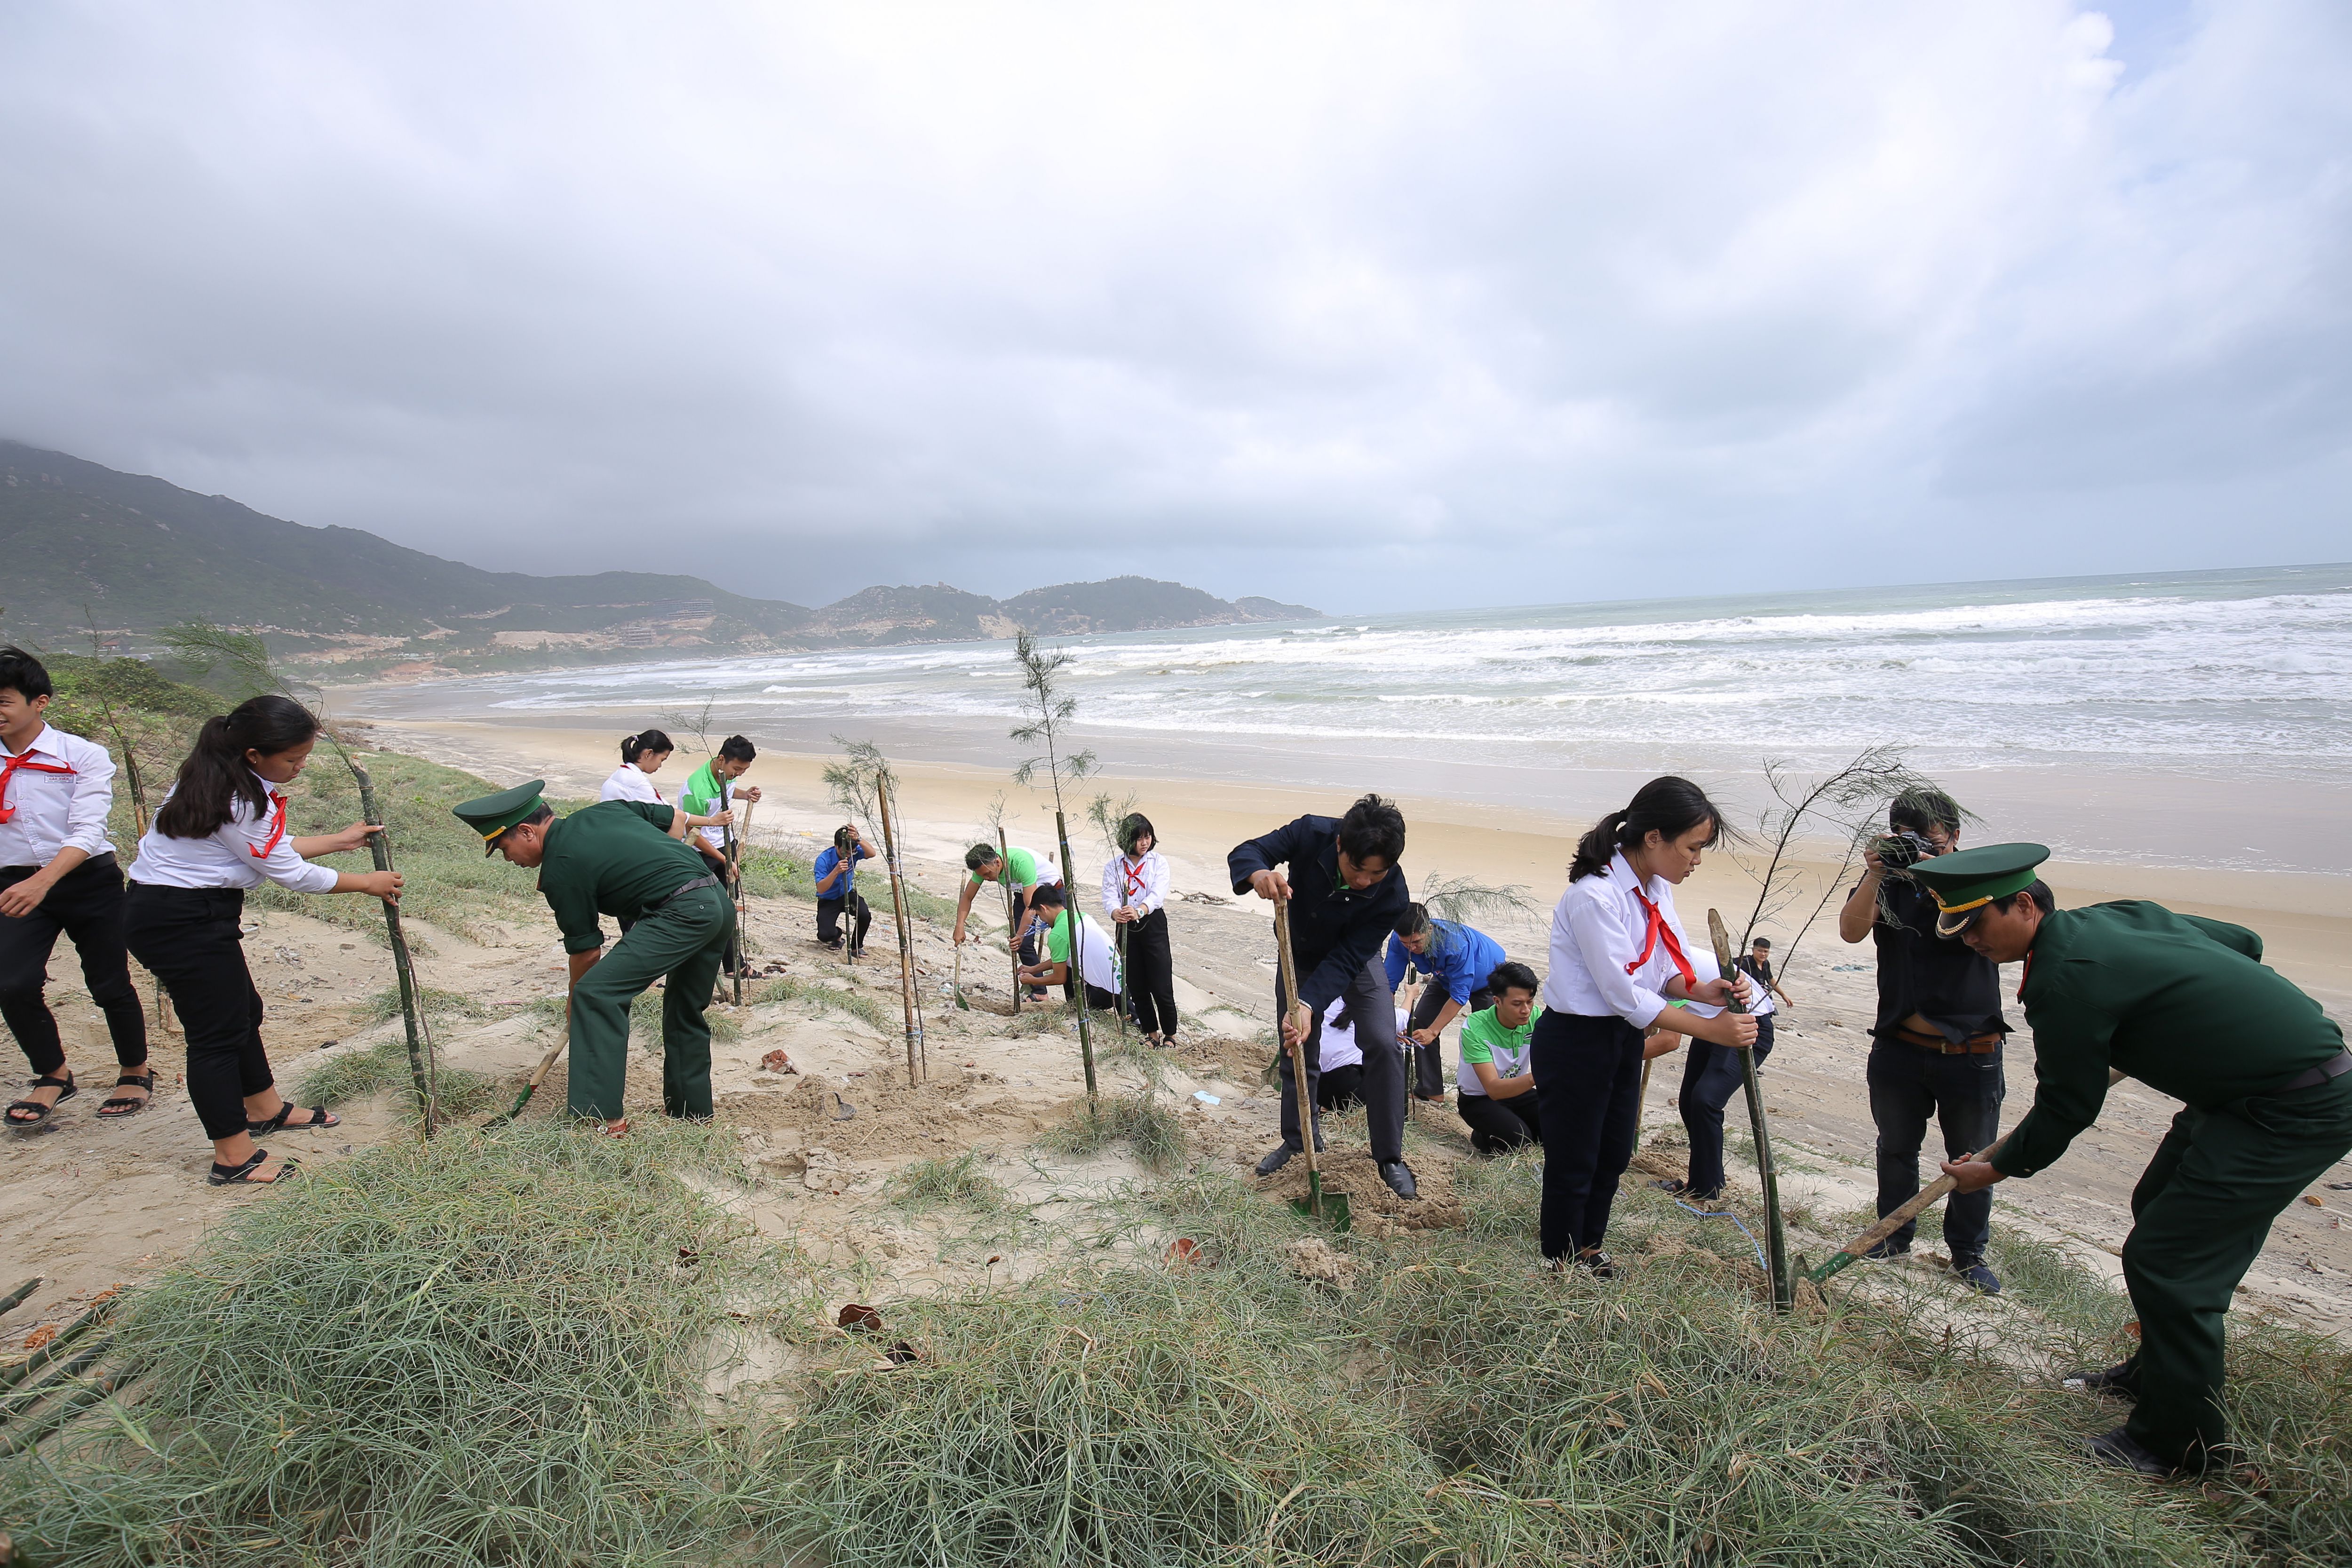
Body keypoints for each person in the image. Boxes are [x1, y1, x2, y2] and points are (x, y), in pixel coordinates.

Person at [1925, 844, 2352, 1477]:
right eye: (1958, 930)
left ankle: (2179, 1445)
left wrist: (1997, 1167)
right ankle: (2158, 1375)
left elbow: (2069, 1104)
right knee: (2154, 1206)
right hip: (2240, 1091)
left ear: (2023, 904)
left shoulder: (2062, 979)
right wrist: (2194, 1014)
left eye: (1978, 925)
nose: (1971, 943)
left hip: (2294, 1106)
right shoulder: (2117, 916)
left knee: (2171, 1262)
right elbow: (2245, 941)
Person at [120, 696, 401, 1184]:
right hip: (181, 920)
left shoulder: (218, 777)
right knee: (216, 1036)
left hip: (176, 912)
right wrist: (366, 882)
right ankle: (232, 1156)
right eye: (292, 759)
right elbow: (288, 873)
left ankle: (263, 1108)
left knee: (243, 1012)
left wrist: (336, 841)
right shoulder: (240, 797)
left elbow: (259, 848)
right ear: (254, 754)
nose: (300, 766)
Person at [1537, 776, 1753, 1275]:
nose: (1696, 860)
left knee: (1613, 1151)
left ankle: (1588, 1246)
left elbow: (1658, 968)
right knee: (1575, 1157)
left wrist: (1699, 991)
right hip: (1575, 1039)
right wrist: (1710, 1029)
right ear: (1653, 837)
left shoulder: (1654, 887)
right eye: (1692, 848)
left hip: (1619, 1037)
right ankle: (1560, 1259)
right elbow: (1622, 992)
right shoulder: (1595, 896)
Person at [459, 778, 733, 1128]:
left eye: (503, 847)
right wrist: (659, 866)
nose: (508, 859)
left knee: (596, 994)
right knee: (683, 1008)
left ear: (527, 831)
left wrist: (576, 1000)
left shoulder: (560, 866)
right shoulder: (606, 810)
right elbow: (678, 818)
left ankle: (600, 1121)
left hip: (681, 912)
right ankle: (691, 1112)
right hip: (716, 902)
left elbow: (587, 953)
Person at [1836, 787, 2007, 1294]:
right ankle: (1891, 1238)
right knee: (1894, 1149)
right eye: (1905, 836)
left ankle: (1967, 1254)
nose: (1915, 846)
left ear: (1954, 836)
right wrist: (1874, 873)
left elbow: (1975, 932)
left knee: (1973, 1159)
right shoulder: (1887, 883)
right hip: (1897, 1047)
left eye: (1928, 836)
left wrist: (1939, 870)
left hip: (1971, 1050)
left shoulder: (1980, 881)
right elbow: (1849, 932)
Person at [1229, 794, 1417, 1199]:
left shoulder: (1394, 894)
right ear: (1339, 846)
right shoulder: (1312, 831)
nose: (1365, 881)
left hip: (1354, 959)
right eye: (1356, 869)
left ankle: (1389, 1156)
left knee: (1383, 1042)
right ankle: (1299, 1141)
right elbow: (1249, 851)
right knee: (1298, 1046)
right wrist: (1259, 873)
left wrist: (1310, 1003)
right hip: (1297, 951)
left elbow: (1349, 956)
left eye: (1376, 873)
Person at [0, 646, 152, 1127]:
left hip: (86, 880)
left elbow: (88, 832)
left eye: (2, 701)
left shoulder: (82, 756)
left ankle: (134, 1068)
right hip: (13, 883)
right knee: (12, 983)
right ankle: (53, 1074)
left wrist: (43, 882)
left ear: (39, 702)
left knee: (109, 980)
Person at [1659, 932, 1777, 1201]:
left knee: (1705, 1101)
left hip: (1749, 1025)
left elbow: (1668, 1040)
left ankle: (1705, 1191)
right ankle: (1707, 1179)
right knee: (1689, 1102)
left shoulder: (1671, 963)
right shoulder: (1653, 958)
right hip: (1714, 1025)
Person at [1385, 904, 1507, 1102]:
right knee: (1421, 1022)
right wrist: (1390, 1023)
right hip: (1445, 976)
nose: (1412, 949)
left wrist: (1434, 1032)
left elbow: (1460, 996)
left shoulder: (1455, 944)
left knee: (1488, 1034)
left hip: (1488, 976)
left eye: (1417, 942)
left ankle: (1492, 1093)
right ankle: (1431, 1090)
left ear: (1429, 929)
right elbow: (1388, 986)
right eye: (1407, 944)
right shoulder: (1400, 943)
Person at [1102, 813, 1177, 1045]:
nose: (1145, 843)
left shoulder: (1158, 863)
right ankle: (1151, 1033)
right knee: (1136, 982)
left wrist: (1140, 910)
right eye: (1139, 838)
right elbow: (1109, 895)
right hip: (1125, 927)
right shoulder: (1114, 866)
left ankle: (1170, 1034)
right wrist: (1116, 912)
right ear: (1127, 840)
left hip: (1152, 923)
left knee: (1161, 982)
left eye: (1148, 837)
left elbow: (1157, 893)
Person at [1456, 961, 1542, 1154]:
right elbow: (1493, 1089)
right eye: (1517, 1004)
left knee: (1559, 1126)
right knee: (1520, 1142)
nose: (1526, 1010)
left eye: (1530, 1001)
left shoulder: (1534, 1017)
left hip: (1517, 1091)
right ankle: (1482, 1136)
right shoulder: (1475, 1029)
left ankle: (1508, 1123)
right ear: (1497, 1001)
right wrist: (1537, 1077)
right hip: (1478, 1099)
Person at [955, 842, 1059, 997]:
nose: (987, 879)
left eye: (988, 874)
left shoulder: (1020, 862)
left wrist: (1021, 934)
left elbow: (1030, 907)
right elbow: (968, 897)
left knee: (1061, 940)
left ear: (997, 862)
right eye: (982, 876)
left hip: (1051, 890)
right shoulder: (982, 866)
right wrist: (959, 925)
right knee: (1022, 945)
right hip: (1022, 891)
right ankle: (1040, 994)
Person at [1017, 882, 1121, 1009]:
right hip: (1120, 991)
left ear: (1044, 908)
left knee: (1065, 969)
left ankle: (1077, 1007)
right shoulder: (1082, 916)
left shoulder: (1057, 934)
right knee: (1065, 962)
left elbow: (1059, 978)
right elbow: (1066, 957)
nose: (1042, 920)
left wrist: (1033, 980)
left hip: (1101, 997)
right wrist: (1033, 969)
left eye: (1039, 915)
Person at [678, 734, 762, 871]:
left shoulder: (726, 772)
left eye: (744, 770)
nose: (740, 774)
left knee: (731, 888)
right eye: (737, 769)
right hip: (702, 853)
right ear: (722, 759)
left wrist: (746, 795)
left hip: (726, 842)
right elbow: (693, 834)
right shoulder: (698, 792)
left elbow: (726, 790)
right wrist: (725, 860)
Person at [813, 824, 873, 957]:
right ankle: (838, 936)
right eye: (845, 852)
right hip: (829, 898)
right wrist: (836, 871)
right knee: (824, 935)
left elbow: (871, 853)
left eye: (852, 852)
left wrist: (859, 839)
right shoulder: (823, 860)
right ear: (836, 847)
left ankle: (856, 946)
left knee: (864, 915)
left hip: (848, 893)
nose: (849, 855)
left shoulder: (854, 852)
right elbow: (821, 888)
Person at [1739, 936, 1791, 1010]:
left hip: (1762, 997)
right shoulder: (1744, 963)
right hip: (1749, 999)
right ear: (1753, 950)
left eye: (1766, 952)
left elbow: (1770, 979)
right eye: (1760, 951)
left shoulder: (1766, 963)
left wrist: (1783, 995)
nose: (1763, 954)